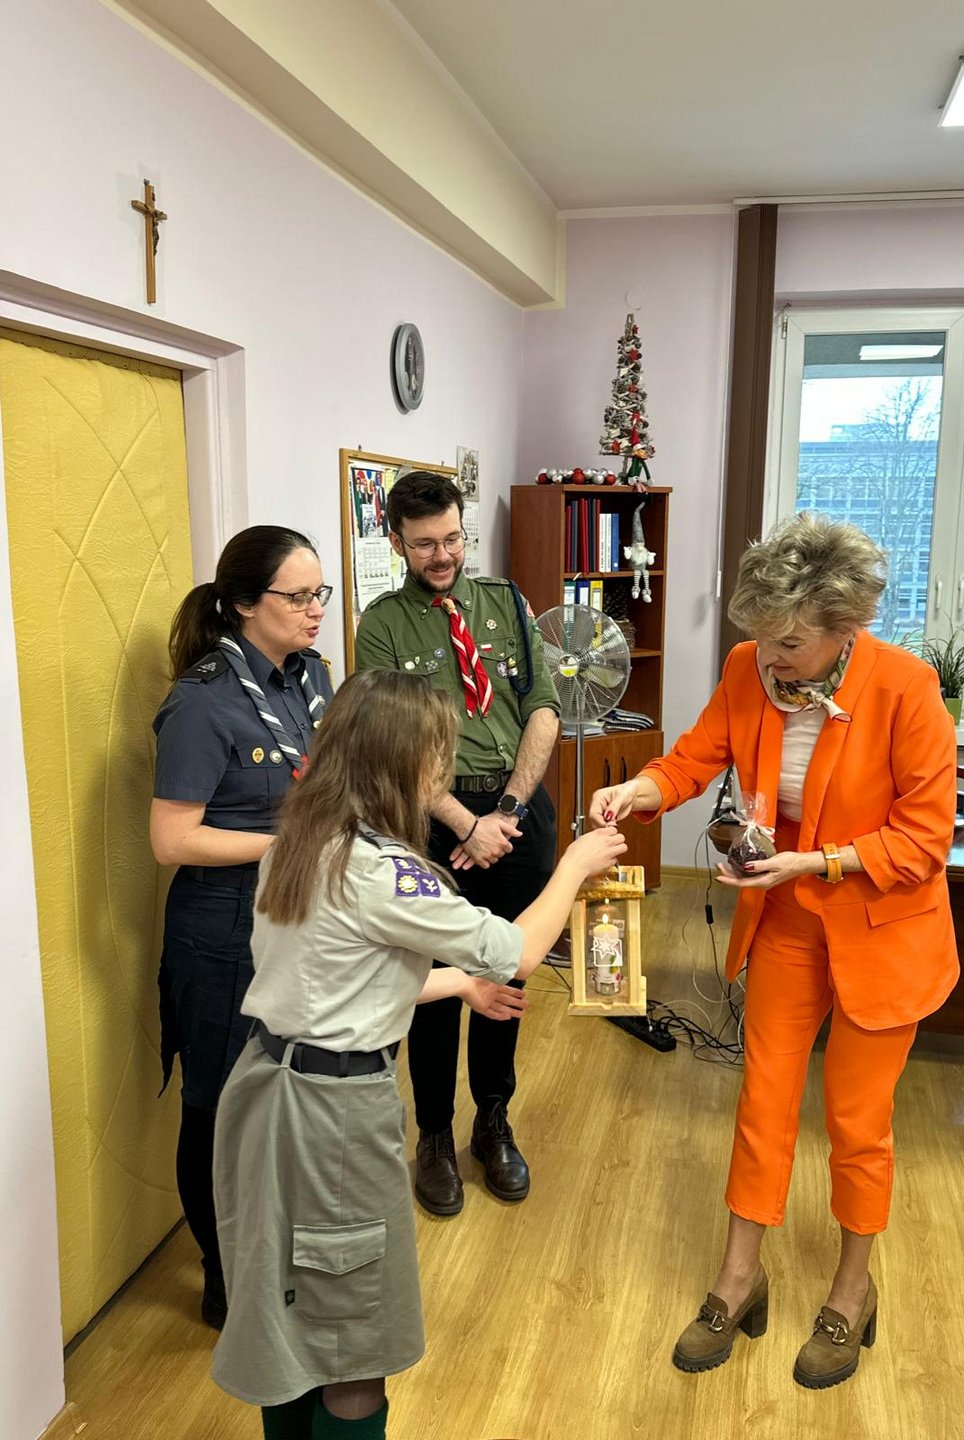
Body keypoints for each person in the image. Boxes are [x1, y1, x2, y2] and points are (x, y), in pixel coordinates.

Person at [588, 512, 959, 1390]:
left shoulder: (906, 687)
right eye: (763, 638)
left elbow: (924, 840)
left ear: (847, 625)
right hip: (789, 920)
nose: (773, 658)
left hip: (881, 930)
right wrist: (641, 789)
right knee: (762, 1103)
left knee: (857, 1124)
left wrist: (816, 860)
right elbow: (694, 758)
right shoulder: (748, 669)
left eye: (790, 643)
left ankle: (852, 1291)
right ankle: (738, 1278)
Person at [210, 668, 626, 1440]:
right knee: (354, 1340)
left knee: (287, 1311)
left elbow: (334, 987)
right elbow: (517, 951)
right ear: (404, 765)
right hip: (332, 1118)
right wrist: (572, 865)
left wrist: (458, 984)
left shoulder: (299, 843)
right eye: (438, 756)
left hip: (265, 1090)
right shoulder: (385, 873)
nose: (443, 773)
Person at [355, 471, 560, 1215]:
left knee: (507, 970)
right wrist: (464, 824)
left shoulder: (505, 602)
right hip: (429, 817)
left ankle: (493, 1121)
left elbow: (543, 707)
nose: (442, 556)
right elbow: (388, 745)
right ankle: (436, 1134)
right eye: (424, 545)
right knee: (436, 980)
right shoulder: (381, 624)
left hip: (515, 808)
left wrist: (504, 811)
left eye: (451, 539)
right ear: (396, 542)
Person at [150, 526, 335, 1329]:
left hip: (300, 919)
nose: (316, 610)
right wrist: (288, 845)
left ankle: (272, 1249)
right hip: (224, 933)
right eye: (300, 596)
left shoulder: (312, 676)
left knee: (284, 1098)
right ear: (244, 605)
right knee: (219, 1108)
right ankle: (222, 1275)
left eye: (320, 593)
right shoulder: (202, 701)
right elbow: (172, 841)